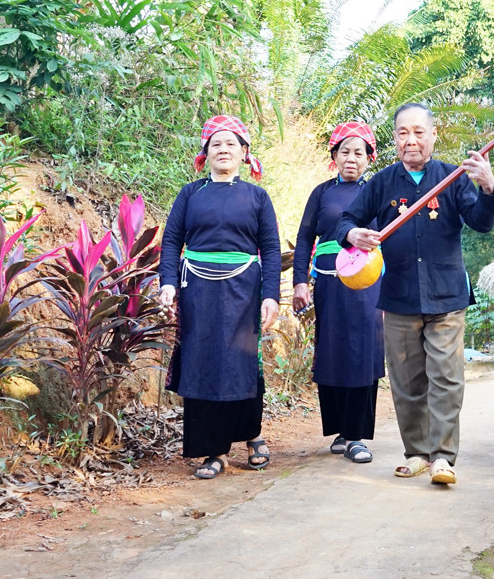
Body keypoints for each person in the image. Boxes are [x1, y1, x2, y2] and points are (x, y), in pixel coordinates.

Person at [336, 103, 494, 486]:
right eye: (402, 133)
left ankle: (443, 457)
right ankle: (417, 454)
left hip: (446, 296)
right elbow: (346, 221)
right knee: (407, 381)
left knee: (446, 377)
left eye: (418, 132)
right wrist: (352, 235)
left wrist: (488, 187)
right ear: (394, 138)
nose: (411, 140)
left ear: (432, 135)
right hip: (398, 296)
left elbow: (480, 222)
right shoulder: (381, 182)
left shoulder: (453, 177)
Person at [158, 116, 281, 480]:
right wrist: (168, 283)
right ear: (205, 154)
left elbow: (271, 249)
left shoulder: (257, 197)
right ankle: (212, 451)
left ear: (245, 153)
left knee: (240, 363)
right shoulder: (190, 194)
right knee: (203, 363)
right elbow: (171, 241)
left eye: (231, 144)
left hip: (244, 292)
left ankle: (250, 433)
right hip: (197, 291)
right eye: (216, 144)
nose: (223, 149)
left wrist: (270, 295)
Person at [292, 122, 385, 464]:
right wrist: (300, 282)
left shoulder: (377, 192)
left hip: (368, 284)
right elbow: (304, 239)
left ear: (369, 159)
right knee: (333, 351)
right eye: (344, 151)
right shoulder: (321, 193)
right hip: (329, 283)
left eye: (358, 152)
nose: (351, 158)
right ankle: (340, 430)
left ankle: (357, 436)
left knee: (363, 352)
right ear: (334, 156)